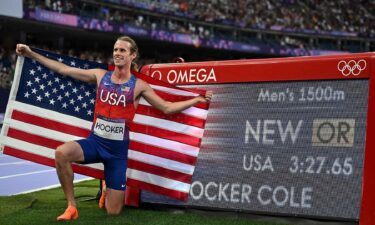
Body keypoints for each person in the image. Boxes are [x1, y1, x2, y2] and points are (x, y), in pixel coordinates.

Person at [15, 36, 212, 221]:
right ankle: (71, 207)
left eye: (122, 50)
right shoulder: (101, 76)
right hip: (95, 142)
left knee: (114, 213)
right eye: (115, 49)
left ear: (132, 55)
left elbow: (166, 108)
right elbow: (64, 69)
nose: (117, 53)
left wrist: (196, 99)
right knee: (61, 153)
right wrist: (31, 53)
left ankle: (106, 186)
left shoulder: (139, 86)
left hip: (117, 154)